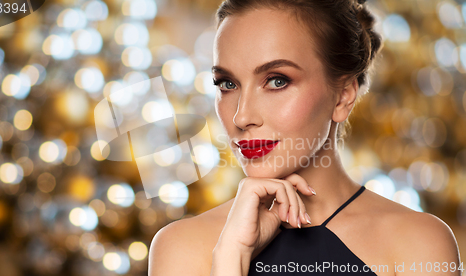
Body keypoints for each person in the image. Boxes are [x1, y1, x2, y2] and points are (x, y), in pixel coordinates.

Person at [148, 0, 462, 275]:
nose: (241, 117)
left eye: (277, 81)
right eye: (227, 84)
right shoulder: (181, 247)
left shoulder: (420, 243)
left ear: (342, 97)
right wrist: (231, 257)